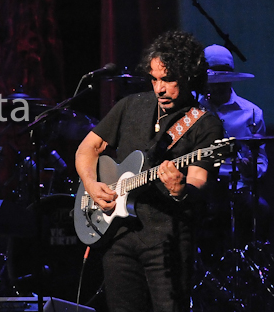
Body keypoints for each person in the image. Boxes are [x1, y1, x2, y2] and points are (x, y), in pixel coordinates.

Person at [75, 30, 224, 311]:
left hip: (167, 239)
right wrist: (92, 184)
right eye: (155, 79)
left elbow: (199, 179)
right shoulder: (130, 105)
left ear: (189, 77)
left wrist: (181, 189)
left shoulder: (205, 125)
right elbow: (87, 149)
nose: (160, 88)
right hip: (118, 235)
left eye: (168, 79)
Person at [198, 44, 269, 248]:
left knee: (259, 210)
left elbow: (261, 159)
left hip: (235, 187)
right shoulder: (193, 110)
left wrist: (251, 171)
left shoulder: (252, 112)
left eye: (223, 81)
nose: (217, 87)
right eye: (213, 82)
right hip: (201, 185)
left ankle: (246, 265)